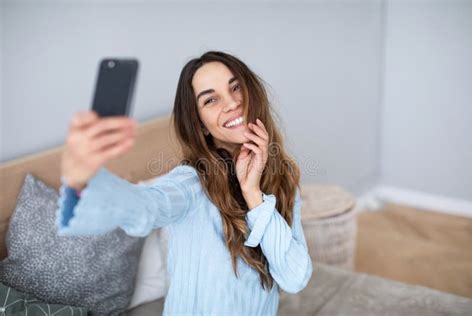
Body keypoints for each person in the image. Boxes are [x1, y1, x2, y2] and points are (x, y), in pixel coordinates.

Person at [57, 51, 312, 315]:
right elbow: (148, 205)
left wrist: (253, 195)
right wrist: (82, 180)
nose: (232, 103)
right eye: (211, 99)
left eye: (235, 87)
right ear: (200, 125)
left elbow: (295, 277)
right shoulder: (190, 183)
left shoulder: (282, 178)